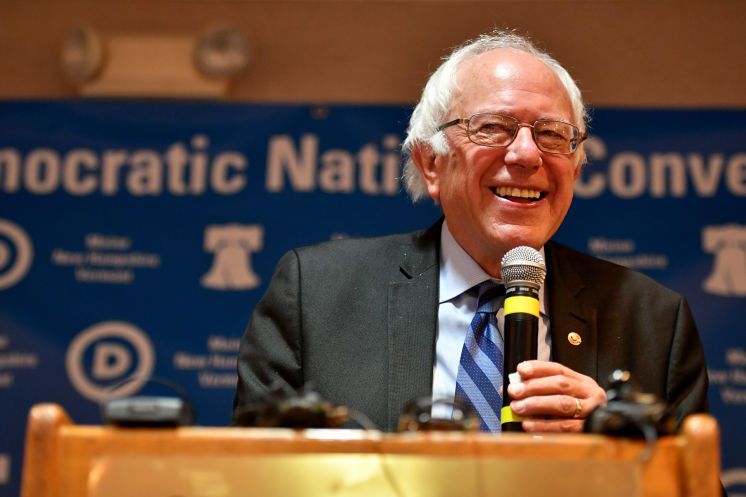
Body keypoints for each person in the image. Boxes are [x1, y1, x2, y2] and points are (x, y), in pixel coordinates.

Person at [232, 29, 709, 433]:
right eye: (494, 127)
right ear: (430, 162)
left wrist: (618, 447)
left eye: (552, 134)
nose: (526, 155)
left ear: (577, 169)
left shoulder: (654, 322)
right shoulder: (315, 295)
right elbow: (248, 477)